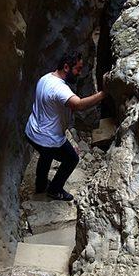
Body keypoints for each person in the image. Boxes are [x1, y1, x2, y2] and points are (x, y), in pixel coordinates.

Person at [25, 52, 105, 201]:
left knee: (46, 155)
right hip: (47, 138)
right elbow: (78, 105)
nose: (80, 73)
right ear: (66, 67)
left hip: (32, 132)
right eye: (78, 69)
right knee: (71, 159)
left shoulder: (46, 78)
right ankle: (54, 190)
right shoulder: (60, 88)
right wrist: (103, 94)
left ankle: (41, 185)